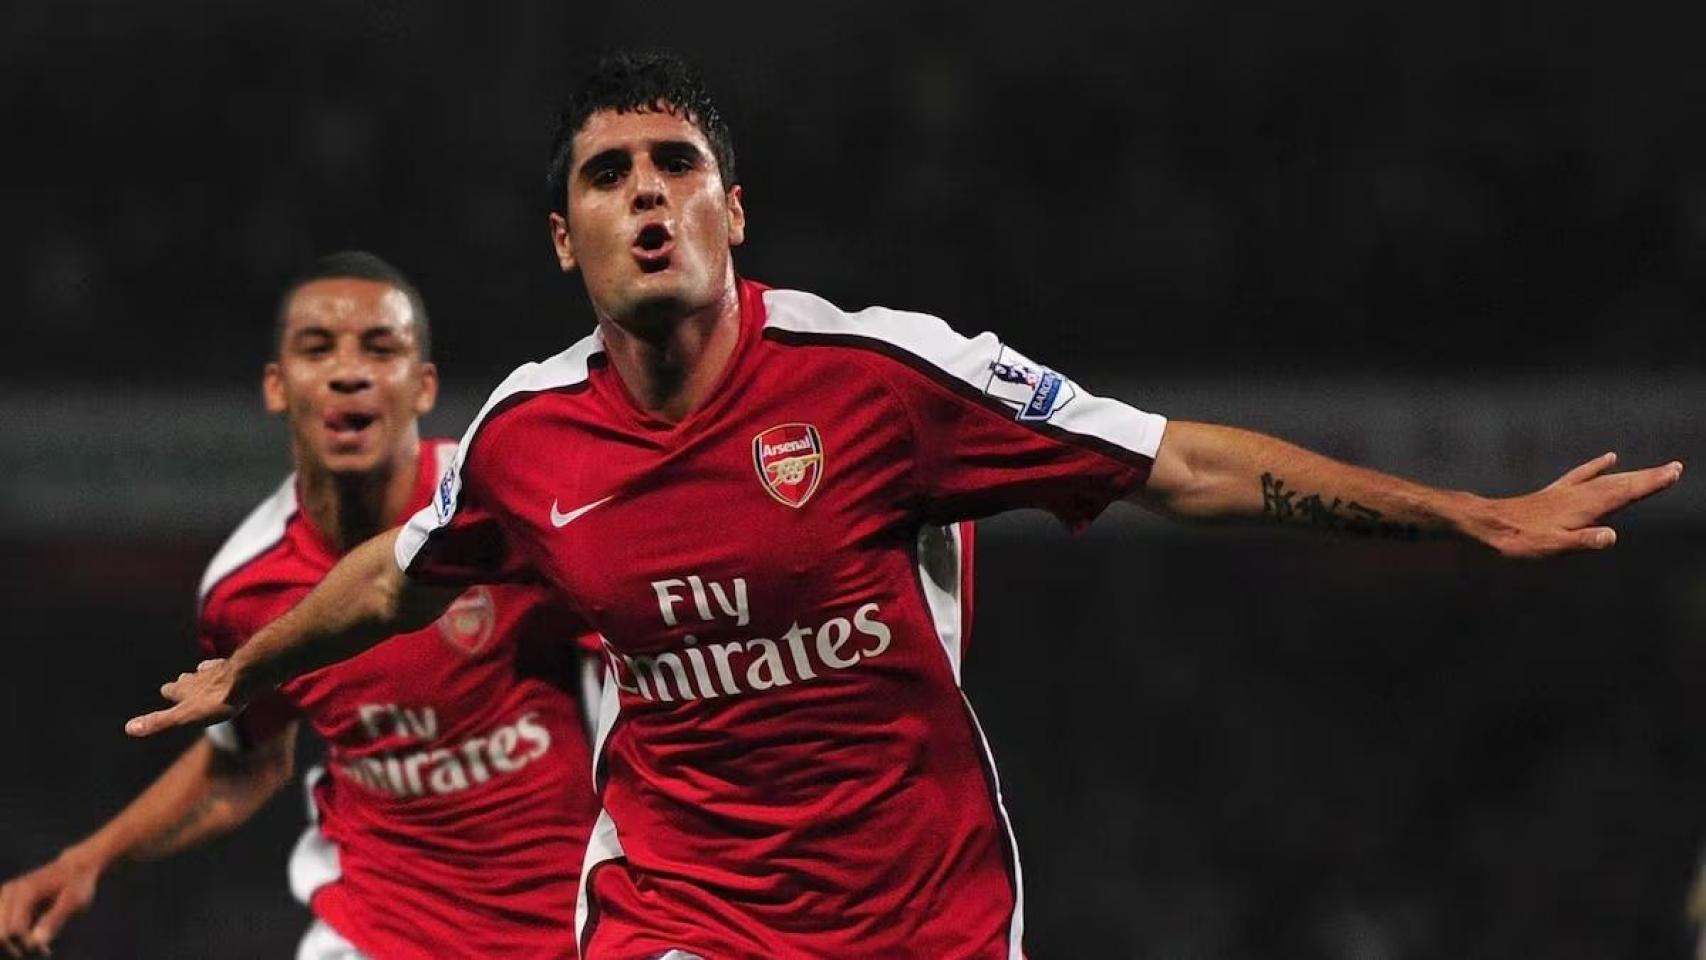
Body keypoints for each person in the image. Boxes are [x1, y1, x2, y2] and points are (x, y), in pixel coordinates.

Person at [124, 55, 1684, 959]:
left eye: (677, 163)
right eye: (609, 174)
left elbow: (1178, 464)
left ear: (733, 210)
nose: (647, 191)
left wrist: (1461, 515)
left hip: (919, 907)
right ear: (562, 237)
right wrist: (251, 668)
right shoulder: (528, 435)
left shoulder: (881, 377)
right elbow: (397, 574)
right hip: (675, 905)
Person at [1, 252, 601, 960]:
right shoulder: (246, 586)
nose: (349, 372)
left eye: (381, 348)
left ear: (424, 386)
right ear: (276, 386)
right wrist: (86, 861)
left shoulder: (506, 509)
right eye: (318, 349)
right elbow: (243, 763)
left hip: (573, 931)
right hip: (374, 936)